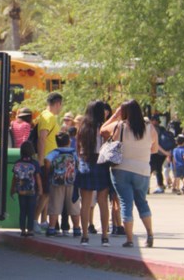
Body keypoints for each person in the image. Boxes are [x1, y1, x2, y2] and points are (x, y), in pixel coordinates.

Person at [101, 99, 158, 248]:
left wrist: (115, 115)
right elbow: (155, 150)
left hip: (121, 169)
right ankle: (150, 234)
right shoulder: (149, 127)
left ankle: (130, 239)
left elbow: (102, 129)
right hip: (142, 170)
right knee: (142, 201)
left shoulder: (120, 126)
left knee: (126, 203)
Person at [75, 100, 111, 246]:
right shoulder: (103, 129)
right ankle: (105, 237)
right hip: (100, 163)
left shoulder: (82, 128)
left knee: (85, 203)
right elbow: (108, 146)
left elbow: (78, 148)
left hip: (85, 161)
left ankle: (84, 236)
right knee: (103, 202)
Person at [34, 92, 64, 233]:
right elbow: (42, 138)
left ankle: (43, 220)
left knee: (48, 192)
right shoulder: (48, 117)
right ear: (57, 103)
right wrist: (41, 159)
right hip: (47, 159)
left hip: (49, 158)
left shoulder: (46, 116)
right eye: (61, 105)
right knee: (46, 192)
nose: (61, 108)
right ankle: (34, 220)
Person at [45, 131, 81, 237]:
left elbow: (47, 161)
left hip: (57, 182)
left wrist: (50, 171)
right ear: (69, 141)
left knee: (55, 205)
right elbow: (79, 163)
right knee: (73, 205)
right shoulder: (74, 152)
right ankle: (76, 228)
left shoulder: (55, 152)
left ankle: (51, 228)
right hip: (71, 182)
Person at [11, 141, 43, 237]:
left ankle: (23, 229)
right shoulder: (35, 163)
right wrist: (40, 189)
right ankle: (30, 230)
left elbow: (15, 178)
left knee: (23, 210)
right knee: (31, 210)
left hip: (21, 191)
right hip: (32, 191)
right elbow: (37, 177)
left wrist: (12, 189)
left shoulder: (17, 163)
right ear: (32, 151)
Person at [149, 115, 174, 194]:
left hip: (156, 152)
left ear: (153, 121)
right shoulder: (162, 129)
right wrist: (166, 153)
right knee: (158, 169)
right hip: (162, 153)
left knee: (152, 169)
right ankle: (160, 186)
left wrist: (164, 152)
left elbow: (156, 144)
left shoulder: (153, 130)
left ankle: (155, 186)